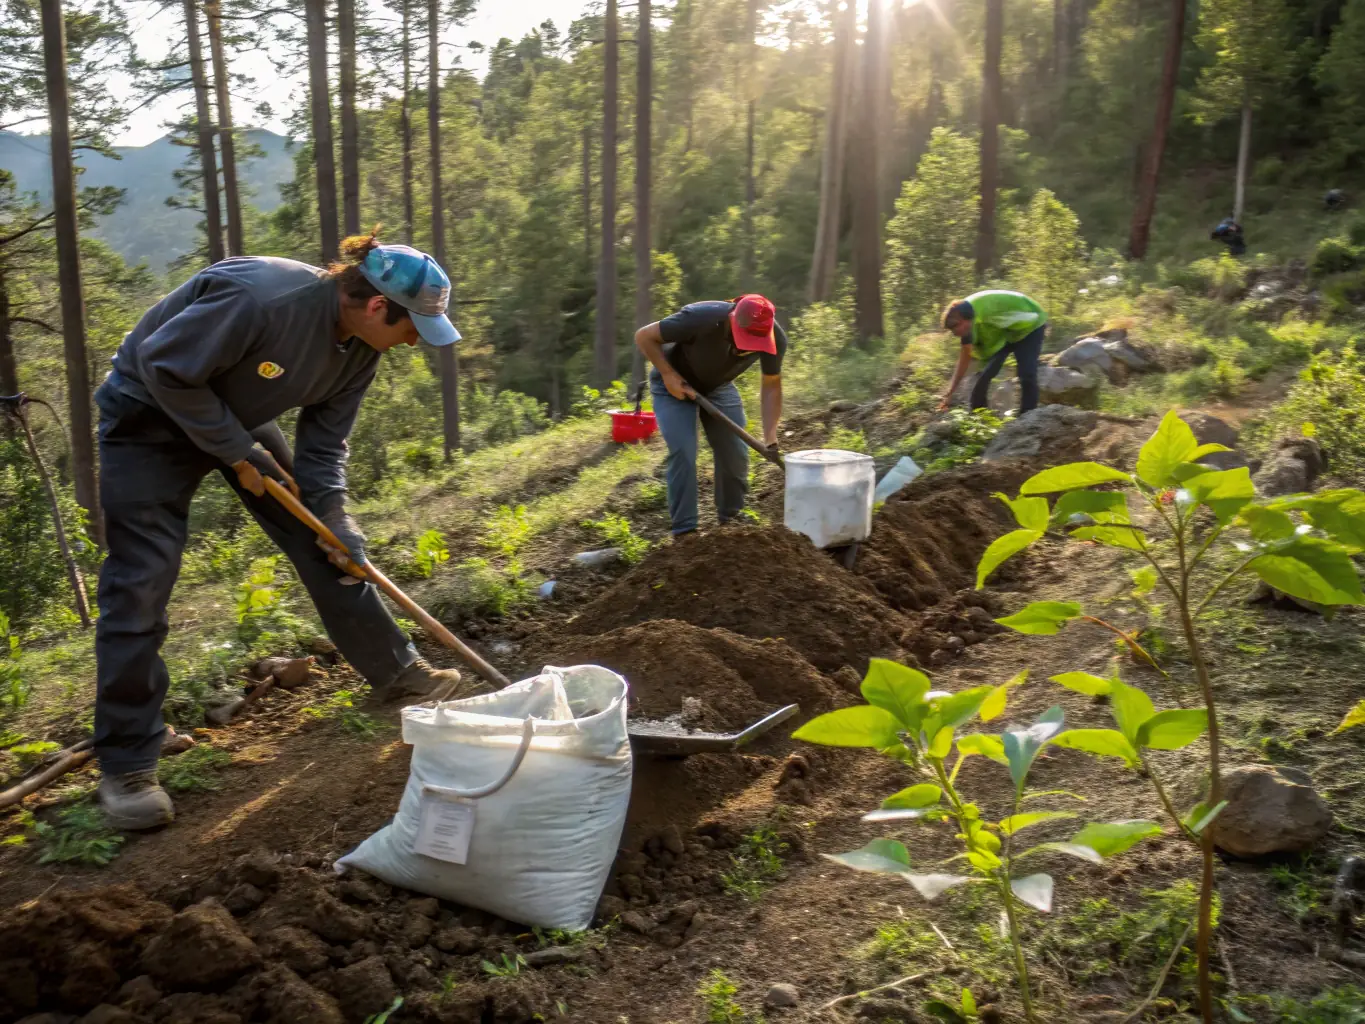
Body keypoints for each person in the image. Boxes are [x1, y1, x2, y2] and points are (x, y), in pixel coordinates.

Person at [94, 232, 469, 830]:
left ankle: (398, 673)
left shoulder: (361, 348)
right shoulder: (264, 298)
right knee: (141, 582)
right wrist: (238, 452)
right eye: (410, 329)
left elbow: (324, 449)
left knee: (325, 541)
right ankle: (127, 760)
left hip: (237, 416)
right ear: (377, 306)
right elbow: (163, 367)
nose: (411, 343)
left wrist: (339, 520)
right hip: (149, 417)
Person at [633, 295, 786, 536]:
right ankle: (685, 532)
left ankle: (732, 522)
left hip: (717, 387)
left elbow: (771, 387)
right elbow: (644, 336)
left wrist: (770, 437)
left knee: (734, 450)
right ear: (733, 320)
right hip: (672, 383)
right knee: (683, 451)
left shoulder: (774, 338)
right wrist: (667, 374)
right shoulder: (701, 318)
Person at [938, 290, 1048, 415]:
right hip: (1005, 333)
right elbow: (964, 360)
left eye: (955, 328)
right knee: (984, 376)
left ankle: (1028, 415)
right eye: (952, 331)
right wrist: (950, 392)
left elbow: (970, 356)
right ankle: (979, 417)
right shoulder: (969, 321)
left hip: (1030, 326)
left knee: (1026, 373)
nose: (955, 334)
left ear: (963, 319)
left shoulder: (985, 311)